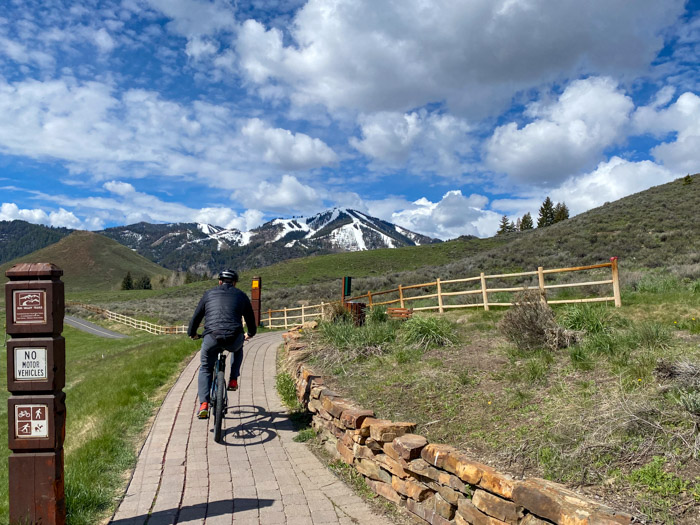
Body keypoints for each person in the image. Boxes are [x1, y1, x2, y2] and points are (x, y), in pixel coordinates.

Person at [188, 269, 257, 419]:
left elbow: (196, 317)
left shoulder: (208, 294)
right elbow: (251, 320)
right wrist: (250, 333)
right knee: (238, 348)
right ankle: (233, 379)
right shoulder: (241, 295)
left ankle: (204, 404)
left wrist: (192, 333)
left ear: (219, 281)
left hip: (211, 338)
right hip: (233, 338)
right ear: (234, 283)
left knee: (206, 367)